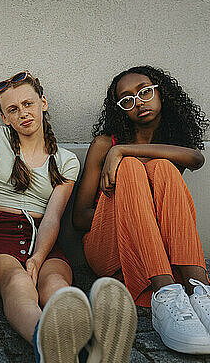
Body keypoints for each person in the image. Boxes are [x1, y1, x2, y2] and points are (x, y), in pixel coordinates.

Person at [0, 70, 137, 362]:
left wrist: (38, 258)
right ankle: (46, 341)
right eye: (12, 109)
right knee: (18, 282)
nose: (23, 113)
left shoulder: (66, 161)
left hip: (44, 239)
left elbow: (52, 218)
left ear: (43, 103)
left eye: (28, 104)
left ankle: (89, 344)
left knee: (56, 287)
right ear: (4, 117)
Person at [72, 65, 210, 354]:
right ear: (121, 109)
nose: (138, 102)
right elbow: (80, 219)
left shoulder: (165, 147)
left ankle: (199, 289)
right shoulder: (103, 144)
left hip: (157, 251)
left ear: (162, 92)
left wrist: (122, 152)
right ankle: (165, 295)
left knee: (161, 167)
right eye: (127, 100)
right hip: (108, 250)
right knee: (132, 171)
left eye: (145, 92)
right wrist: (120, 201)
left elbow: (196, 158)